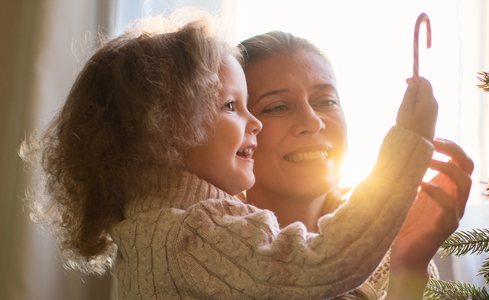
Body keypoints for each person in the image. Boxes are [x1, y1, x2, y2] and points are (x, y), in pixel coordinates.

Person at [23, 13, 443, 299]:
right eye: (232, 107)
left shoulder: (152, 226)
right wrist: (407, 145)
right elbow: (322, 261)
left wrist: (409, 264)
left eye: (326, 100)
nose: (254, 124)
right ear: (166, 128)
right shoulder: (196, 232)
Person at [238, 31, 474, 299]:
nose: (313, 121)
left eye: (325, 101)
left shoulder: (387, 257)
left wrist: (409, 264)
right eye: (278, 107)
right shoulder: (209, 248)